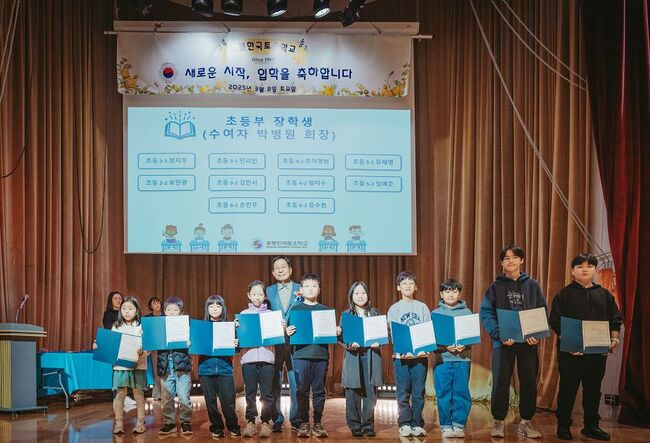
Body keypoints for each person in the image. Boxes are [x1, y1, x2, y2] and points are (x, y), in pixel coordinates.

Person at [549, 253, 622, 441]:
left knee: (593, 390)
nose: (585, 269)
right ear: (572, 271)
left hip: (597, 353)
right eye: (580, 266)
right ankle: (563, 425)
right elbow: (555, 322)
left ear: (595, 270)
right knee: (568, 389)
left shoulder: (605, 295)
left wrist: (613, 340)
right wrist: (570, 342)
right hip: (570, 352)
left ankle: (591, 426)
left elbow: (615, 320)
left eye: (589, 266)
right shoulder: (563, 294)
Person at [479, 244, 547, 439]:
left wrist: (536, 334)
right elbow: (486, 313)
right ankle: (498, 421)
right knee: (501, 382)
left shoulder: (532, 285)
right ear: (502, 262)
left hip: (528, 343)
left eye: (515, 257)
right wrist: (499, 334)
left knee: (528, 382)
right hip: (503, 343)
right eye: (506, 258)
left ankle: (525, 422)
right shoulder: (495, 287)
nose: (511, 261)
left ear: (521, 260)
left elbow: (542, 311)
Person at [285, 273, 341, 438]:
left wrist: (335, 331)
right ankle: (303, 422)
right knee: (301, 390)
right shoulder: (295, 309)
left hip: (320, 355)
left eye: (314, 286)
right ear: (301, 290)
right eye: (307, 286)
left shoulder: (325, 310)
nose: (310, 289)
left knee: (318, 390)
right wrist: (287, 331)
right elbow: (287, 330)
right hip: (300, 355)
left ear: (319, 289)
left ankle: (317, 422)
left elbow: (330, 334)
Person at [387, 271, 431, 438]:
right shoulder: (394, 309)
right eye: (404, 283)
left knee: (418, 392)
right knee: (402, 392)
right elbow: (392, 332)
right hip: (401, 358)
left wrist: (424, 347)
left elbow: (427, 329)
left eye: (411, 283)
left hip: (420, 357)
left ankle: (417, 423)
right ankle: (404, 423)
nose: (407, 286)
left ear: (416, 287)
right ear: (398, 287)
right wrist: (401, 348)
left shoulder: (422, 307)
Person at [339, 281, 383, 437]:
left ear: (368, 295)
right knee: (353, 392)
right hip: (353, 357)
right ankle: (355, 425)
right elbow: (341, 337)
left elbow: (382, 334)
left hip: (371, 356)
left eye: (363, 293)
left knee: (370, 393)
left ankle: (368, 425)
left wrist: (379, 342)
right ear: (351, 296)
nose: (360, 296)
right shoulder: (346, 315)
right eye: (356, 293)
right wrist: (350, 344)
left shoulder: (375, 313)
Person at [432, 279, 473, 438]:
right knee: (443, 393)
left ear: (459, 294)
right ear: (441, 294)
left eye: (454, 291)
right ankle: (446, 426)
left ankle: (458, 424)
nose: (451, 294)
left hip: (462, 360)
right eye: (447, 291)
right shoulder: (436, 314)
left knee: (461, 392)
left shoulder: (467, 312)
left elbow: (472, 337)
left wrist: (465, 345)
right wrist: (445, 346)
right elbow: (431, 339)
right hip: (442, 360)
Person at [266, 256, 302, 432]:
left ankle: (296, 419)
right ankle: (277, 420)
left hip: (296, 342)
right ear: (273, 273)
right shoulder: (268, 291)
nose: (280, 270)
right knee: (275, 382)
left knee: (297, 382)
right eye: (277, 268)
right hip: (276, 343)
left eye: (283, 266)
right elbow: (263, 315)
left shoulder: (301, 289)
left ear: (290, 269)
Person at [102, 296, 147, 435]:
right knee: (120, 395)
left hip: (137, 365)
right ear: (120, 310)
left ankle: (141, 422)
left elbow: (148, 346)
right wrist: (100, 346)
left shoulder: (141, 326)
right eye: (124, 308)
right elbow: (110, 346)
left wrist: (143, 352)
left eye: (130, 308)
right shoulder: (116, 327)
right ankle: (119, 423)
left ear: (136, 310)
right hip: (120, 367)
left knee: (138, 394)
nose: (127, 311)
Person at [200, 294, 241, 438]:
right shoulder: (201, 327)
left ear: (223, 308)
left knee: (228, 401)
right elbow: (195, 346)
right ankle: (216, 427)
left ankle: (233, 426)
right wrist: (190, 343)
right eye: (211, 306)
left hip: (225, 369)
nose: (215, 308)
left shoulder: (230, 326)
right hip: (206, 369)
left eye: (218, 305)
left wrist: (236, 344)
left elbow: (237, 349)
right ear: (207, 309)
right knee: (210, 402)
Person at [239, 282, 275, 438]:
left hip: (267, 360)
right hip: (249, 360)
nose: (257, 297)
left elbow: (276, 337)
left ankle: (266, 422)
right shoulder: (244, 315)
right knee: (250, 393)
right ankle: (251, 422)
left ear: (265, 296)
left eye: (260, 294)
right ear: (248, 295)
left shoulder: (271, 315)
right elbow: (240, 339)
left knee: (267, 394)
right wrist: (237, 328)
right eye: (254, 294)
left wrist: (280, 326)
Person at [157, 296, 193, 436]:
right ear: (164, 311)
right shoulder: (160, 327)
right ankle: (169, 423)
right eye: (168, 309)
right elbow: (151, 341)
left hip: (182, 366)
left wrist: (190, 342)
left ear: (181, 312)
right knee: (167, 397)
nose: (171, 312)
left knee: (184, 396)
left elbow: (195, 343)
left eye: (175, 310)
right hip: (165, 366)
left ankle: (185, 422)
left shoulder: (186, 326)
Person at [143, 296, 163, 401]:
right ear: (150, 306)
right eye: (154, 303)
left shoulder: (165, 316)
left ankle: (166, 394)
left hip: (164, 347)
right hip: (153, 347)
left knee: (165, 370)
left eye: (158, 303)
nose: (157, 305)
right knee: (156, 370)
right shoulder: (147, 318)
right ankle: (157, 394)